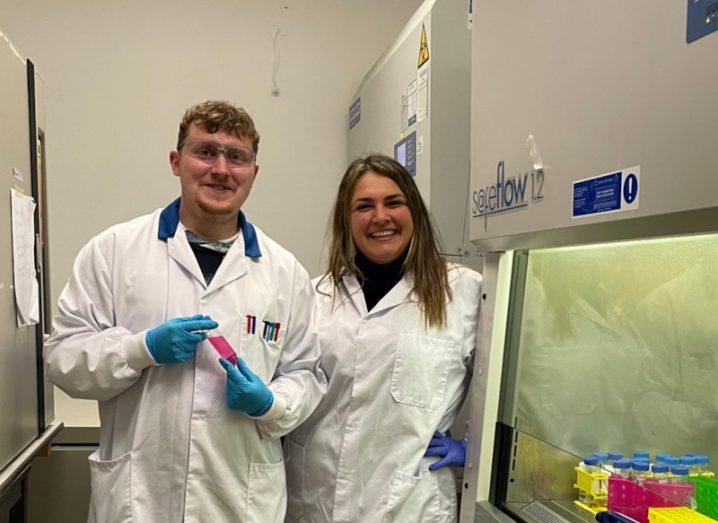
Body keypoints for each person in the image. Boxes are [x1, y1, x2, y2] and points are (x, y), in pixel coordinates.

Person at [44, 100, 326, 522]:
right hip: (140, 502)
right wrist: (140, 350)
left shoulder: (286, 273)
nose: (221, 168)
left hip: (238, 502)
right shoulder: (115, 251)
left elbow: (306, 373)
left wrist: (270, 403)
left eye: (237, 157)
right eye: (205, 151)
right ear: (177, 161)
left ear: (253, 172)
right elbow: (62, 356)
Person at [284, 155, 482, 521]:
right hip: (317, 500)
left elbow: (504, 384)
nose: (380, 218)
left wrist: (474, 449)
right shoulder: (314, 296)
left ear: (415, 212)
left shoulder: (463, 291)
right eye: (364, 206)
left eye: (393, 203)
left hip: (409, 504)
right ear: (347, 220)